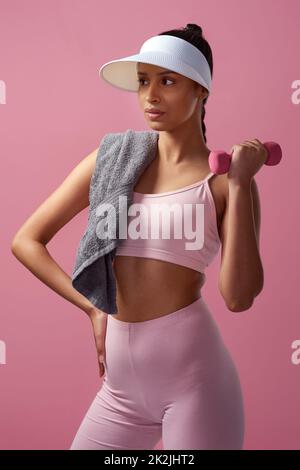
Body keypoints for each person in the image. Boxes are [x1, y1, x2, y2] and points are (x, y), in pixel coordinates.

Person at [11, 24, 266, 450]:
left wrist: (240, 185)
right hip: (121, 390)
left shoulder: (222, 182)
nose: (151, 95)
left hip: (195, 385)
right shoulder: (112, 160)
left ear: (201, 90)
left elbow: (239, 298)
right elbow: (27, 240)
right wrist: (93, 309)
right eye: (143, 81)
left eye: (168, 81)